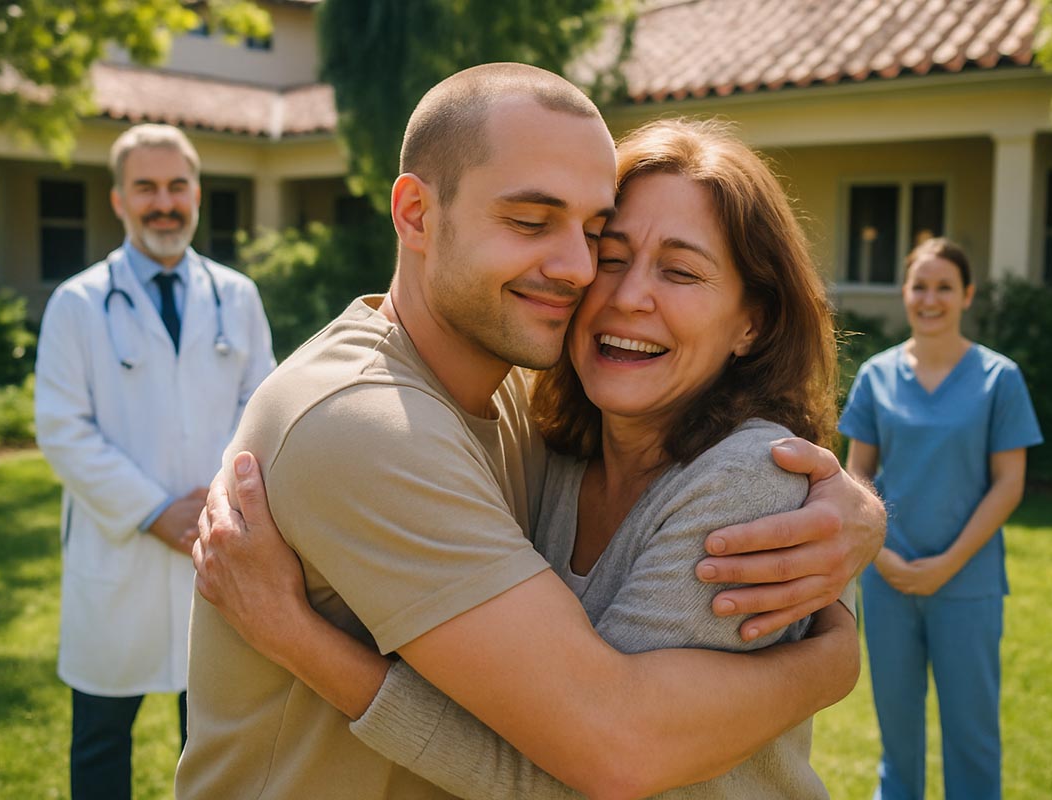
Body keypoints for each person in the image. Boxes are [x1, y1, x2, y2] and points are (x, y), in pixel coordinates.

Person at [177, 64, 883, 800]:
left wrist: (854, 522)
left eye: (591, 233)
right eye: (529, 221)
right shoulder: (368, 424)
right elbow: (610, 748)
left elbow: (609, 752)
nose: (582, 272)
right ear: (416, 214)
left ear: (752, 320)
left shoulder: (523, 406)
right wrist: (832, 659)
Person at [34, 123, 275, 800]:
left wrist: (217, 502)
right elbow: (61, 428)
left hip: (214, 546)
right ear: (118, 199)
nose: (163, 202)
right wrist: (156, 512)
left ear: (197, 193)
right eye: (146, 187)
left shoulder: (237, 296)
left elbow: (262, 406)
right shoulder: (77, 304)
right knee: (102, 741)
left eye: (176, 186)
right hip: (122, 555)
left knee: (214, 737)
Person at [839, 237, 1042, 800]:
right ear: (905, 293)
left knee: (972, 739)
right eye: (919, 286)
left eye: (944, 287)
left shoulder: (999, 378)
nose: (930, 299)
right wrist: (881, 554)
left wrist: (946, 565)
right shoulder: (876, 376)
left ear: (967, 295)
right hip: (889, 579)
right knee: (897, 739)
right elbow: (857, 474)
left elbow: (1009, 483)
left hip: (967, 584)